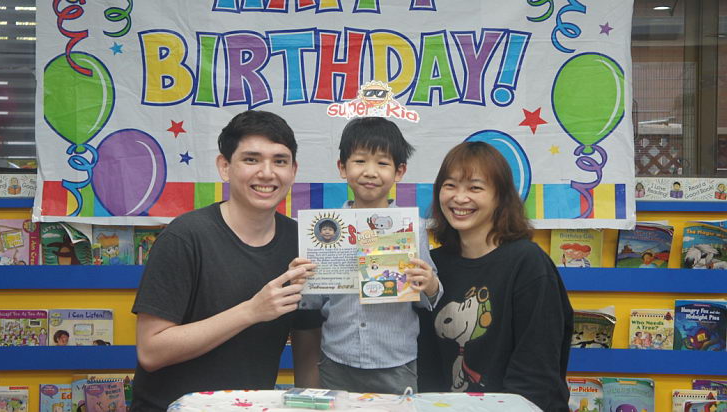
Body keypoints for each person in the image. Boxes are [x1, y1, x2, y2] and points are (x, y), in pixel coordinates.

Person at [131, 110, 321, 411]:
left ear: (293, 171)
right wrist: (252, 310)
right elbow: (151, 352)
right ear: (225, 166)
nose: (267, 173)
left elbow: (307, 344)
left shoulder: (302, 241)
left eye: (280, 161)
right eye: (251, 159)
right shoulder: (185, 236)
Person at [417, 141, 573, 411]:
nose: (459, 198)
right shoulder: (432, 266)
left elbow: (536, 371)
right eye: (450, 185)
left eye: (475, 188)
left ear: (500, 197)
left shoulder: (528, 263)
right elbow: (425, 362)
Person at [296, 117, 441, 394]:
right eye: (360, 161)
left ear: (399, 171)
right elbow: (313, 302)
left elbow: (428, 298)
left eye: (382, 163)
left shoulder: (413, 227)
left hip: (396, 362)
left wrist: (430, 283)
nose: (370, 172)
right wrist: (303, 281)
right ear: (342, 167)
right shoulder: (324, 230)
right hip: (337, 359)